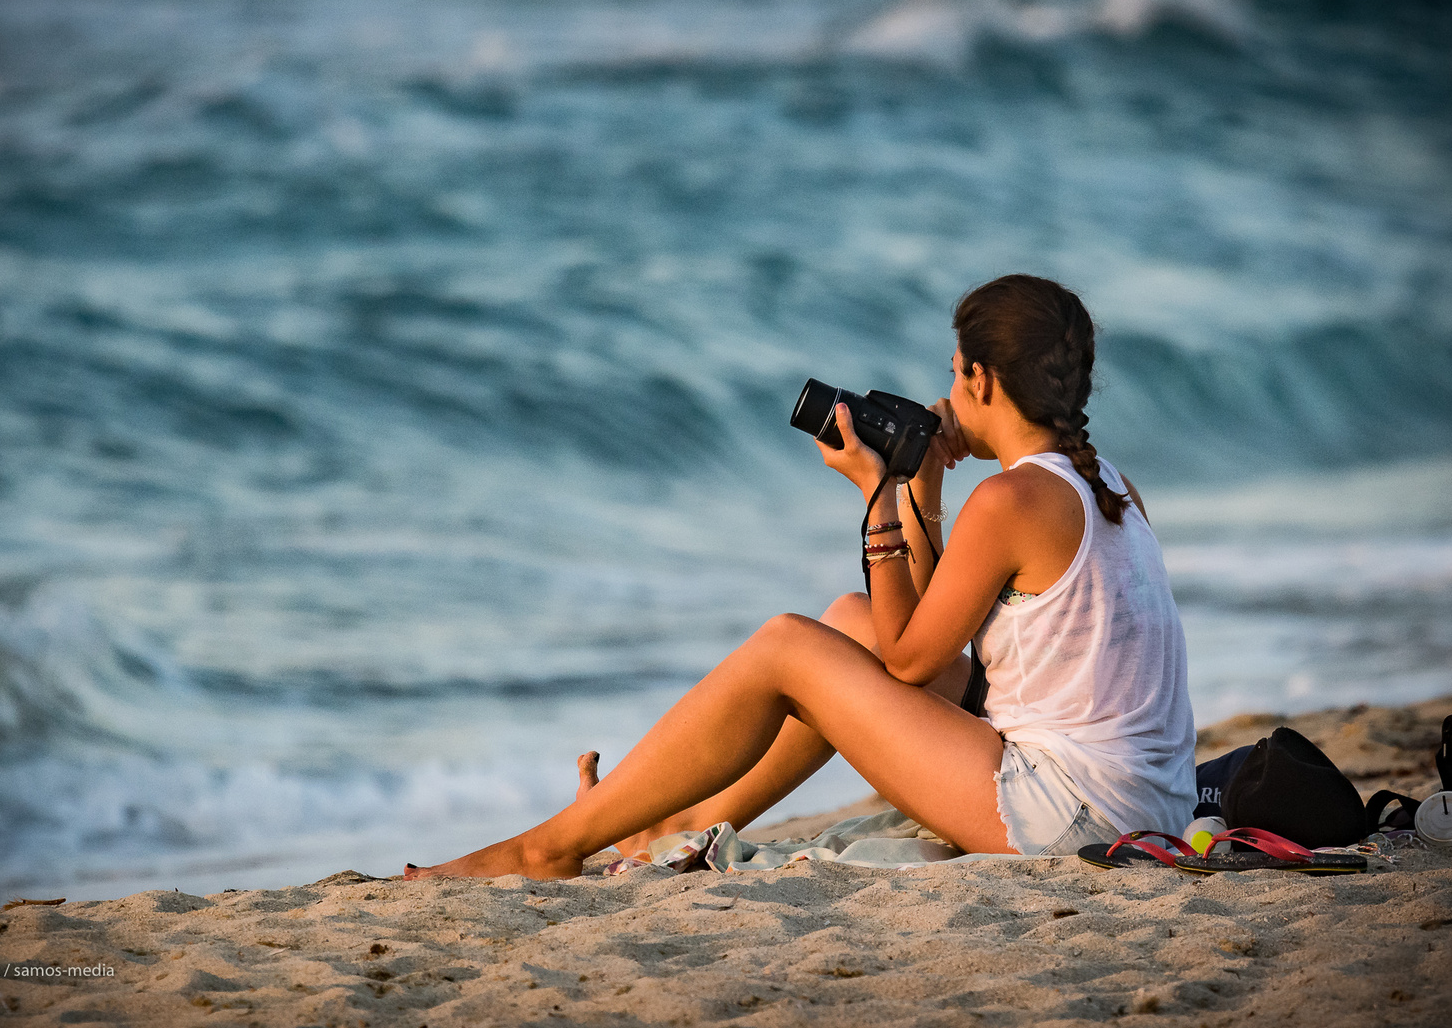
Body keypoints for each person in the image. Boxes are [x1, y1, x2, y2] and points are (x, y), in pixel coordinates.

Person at [404, 274, 1195, 880]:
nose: (950, 394)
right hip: (1142, 809)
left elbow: (910, 664)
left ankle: (547, 847)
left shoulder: (1013, 497)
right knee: (848, 619)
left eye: (957, 376)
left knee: (789, 646)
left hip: (1078, 819)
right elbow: (913, 638)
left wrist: (875, 492)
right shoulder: (1104, 485)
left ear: (982, 380)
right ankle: (660, 833)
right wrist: (920, 484)